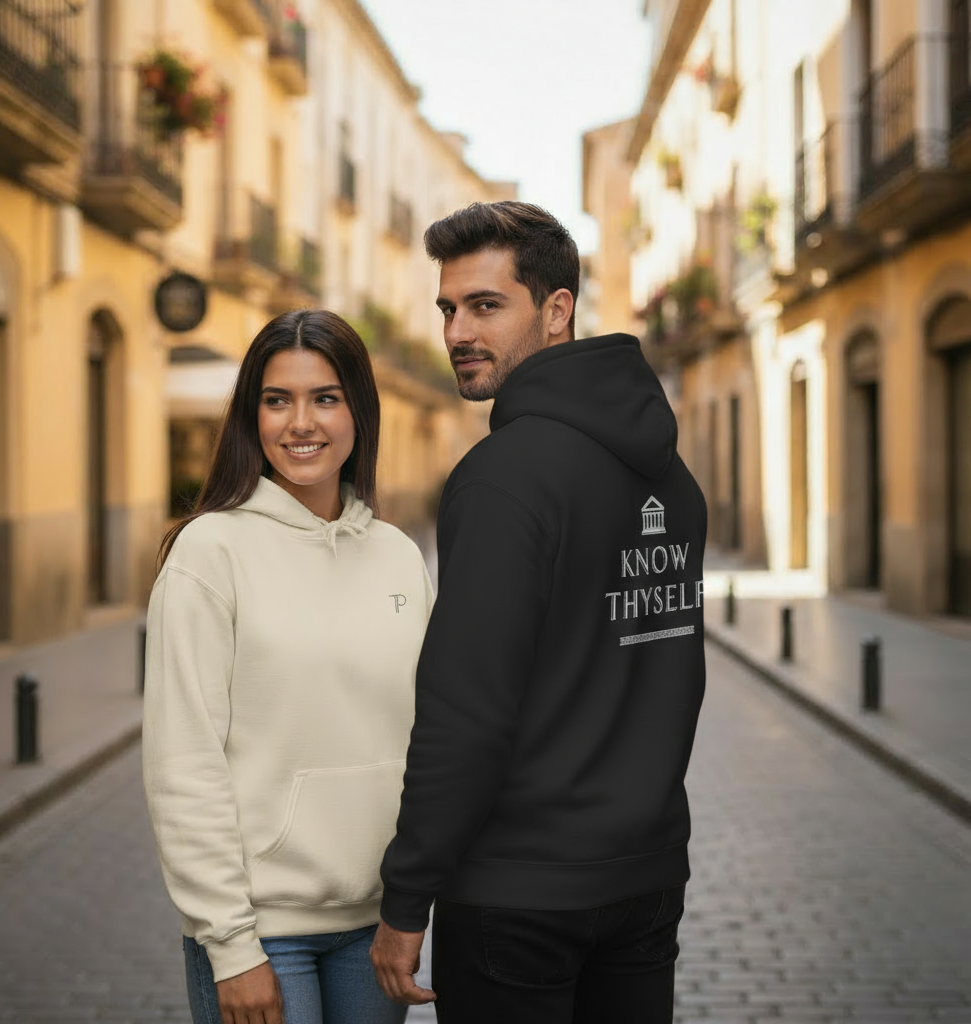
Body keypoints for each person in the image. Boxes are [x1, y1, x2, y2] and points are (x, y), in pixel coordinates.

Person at [370, 202, 707, 1023]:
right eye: (447, 307)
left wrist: (407, 896)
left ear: (557, 311)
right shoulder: (672, 480)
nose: (456, 331)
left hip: (519, 897)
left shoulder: (502, 479)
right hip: (647, 881)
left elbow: (468, 712)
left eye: (487, 306)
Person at [143, 310, 433, 1024]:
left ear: (358, 411)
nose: (300, 422)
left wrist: (411, 900)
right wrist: (231, 942)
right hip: (261, 932)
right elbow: (184, 761)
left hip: (378, 926)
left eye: (325, 398)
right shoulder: (210, 552)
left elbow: (427, 737)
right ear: (253, 416)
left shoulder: (398, 553)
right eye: (278, 400)